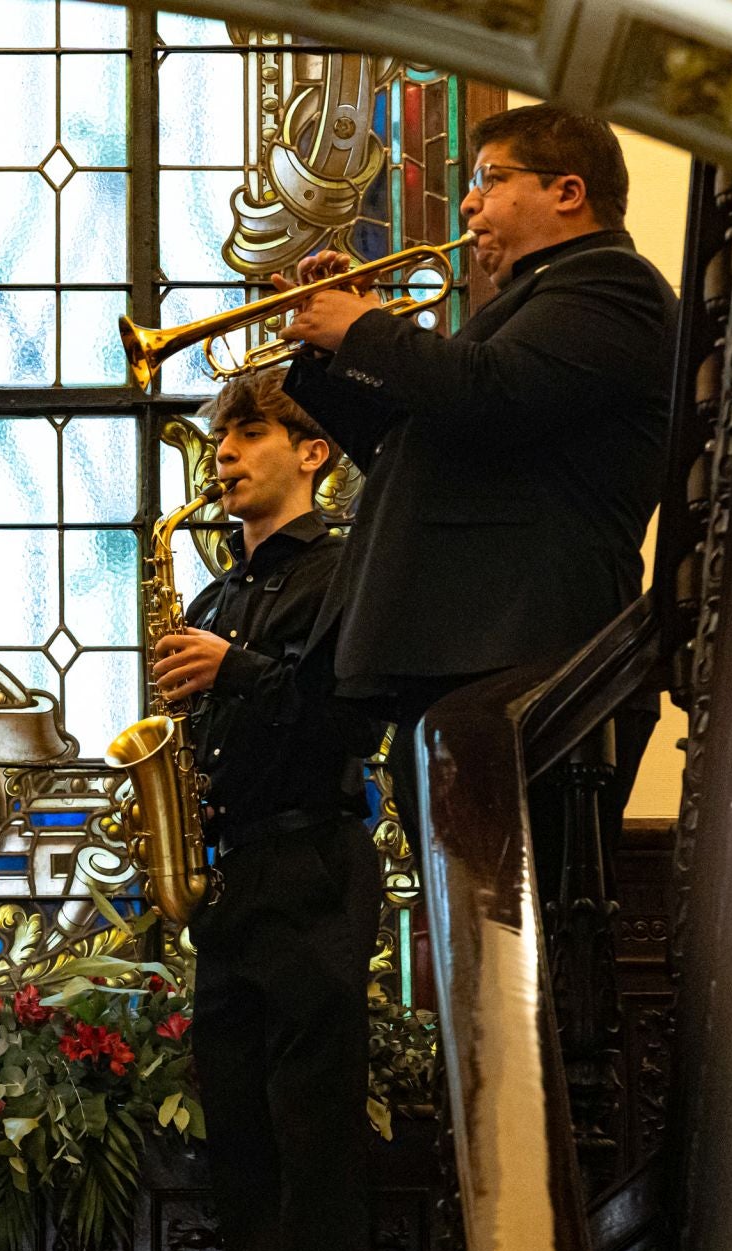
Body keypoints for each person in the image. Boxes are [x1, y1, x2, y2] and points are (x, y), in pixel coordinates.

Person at [276, 103, 676, 865]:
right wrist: (336, 354)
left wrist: (367, 330)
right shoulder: (532, 302)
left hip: (527, 642)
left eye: (490, 180)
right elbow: (412, 446)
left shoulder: (607, 283)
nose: (468, 203)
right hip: (473, 643)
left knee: (508, 913)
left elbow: (488, 392)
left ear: (567, 191)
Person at [152, 370, 382, 1251]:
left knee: (314, 1131)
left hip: (312, 863)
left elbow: (355, 716)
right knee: (241, 1134)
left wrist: (236, 671)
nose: (227, 451)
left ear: (313, 454)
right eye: (222, 438)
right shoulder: (213, 601)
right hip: (232, 878)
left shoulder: (344, 571)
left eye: (250, 434)